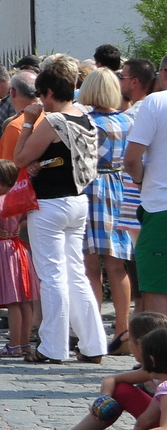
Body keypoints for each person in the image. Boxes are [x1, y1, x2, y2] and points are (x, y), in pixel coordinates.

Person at [13, 53, 105, 364]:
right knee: (75, 273)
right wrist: (44, 162)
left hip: (50, 204)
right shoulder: (85, 117)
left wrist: (28, 122)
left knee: (51, 276)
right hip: (77, 200)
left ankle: (52, 347)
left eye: (42, 95)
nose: (40, 101)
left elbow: (20, 157)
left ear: (50, 92)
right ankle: (93, 344)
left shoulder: (53, 121)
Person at [19, 310, 167, 430]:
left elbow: (146, 422)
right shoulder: (154, 369)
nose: (126, 340)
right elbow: (111, 379)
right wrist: (103, 402)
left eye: (129, 338)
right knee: (119, 391)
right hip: (158, 425)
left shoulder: (158, 374)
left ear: (142, 345)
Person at [80, 67, 135, 351]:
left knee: (91, 265)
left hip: (93, 187)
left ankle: (94, 330)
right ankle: (123, 329)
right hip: (121, 187)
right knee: (117, 264)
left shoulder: (88, 123)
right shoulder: (128, 120)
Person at [0, 159, 36, 358]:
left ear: (2, 179)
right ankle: (25, 344)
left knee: (12, 302)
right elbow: (29, 217)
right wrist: (17, 227)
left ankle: (13, 345)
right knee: (25, 301)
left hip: (2, 249)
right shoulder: (18, 198)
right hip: (19, 249)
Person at [124, 70, 167, 316]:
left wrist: (140, 181)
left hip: (161, 206)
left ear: (164, 75)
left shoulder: (156, 101)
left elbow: (131, 160)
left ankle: (159, 342)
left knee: (157, 289)